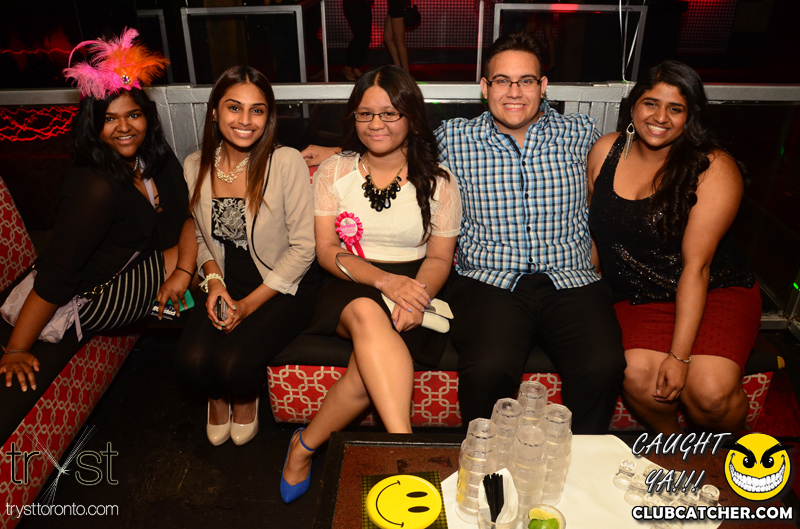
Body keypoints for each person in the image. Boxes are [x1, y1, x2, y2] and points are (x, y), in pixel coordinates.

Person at [302, 32, 626, 434]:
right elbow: (394, 138)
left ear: (543, 86)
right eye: (502, 81)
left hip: (570, 279)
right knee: (488, 368)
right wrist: (337, 153)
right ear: (485, 87)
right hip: (491, 281)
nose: (514, 92)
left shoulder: (582, 133)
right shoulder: (455, 138)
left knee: (603, 365)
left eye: (526, 80)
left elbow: (624, 175)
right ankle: (485, 459)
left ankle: (583, 458)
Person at [0, 30, 196, 443]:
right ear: (94, 125)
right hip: (92, 299)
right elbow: (58, 272)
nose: (124, 128)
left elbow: (186, 217)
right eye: (109, 119)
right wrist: (16, 349)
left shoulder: (154, 159)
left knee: (208, 250)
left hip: (140, 267)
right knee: (217, 254)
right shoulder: (94, 185)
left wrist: (183, 267)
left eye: (133, 115)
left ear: (147, 117)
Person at [281, 65, 461, 502]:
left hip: (417, 285)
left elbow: (439, 257)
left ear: (411, 118)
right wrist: (384, 281)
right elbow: (327, 250)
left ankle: (303, 445)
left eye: (389, 113)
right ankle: (405, 450)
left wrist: (414, 296)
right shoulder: (334, 171)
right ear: (353, 118)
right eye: (365, 114)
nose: (376, 124)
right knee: (366, 311)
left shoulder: (440, 181)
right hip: (348, 279)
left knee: (367, 372)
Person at [587, 60, 760, 434]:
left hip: (712, 291)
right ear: (634, 105)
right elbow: (596, 237)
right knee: (638, 379)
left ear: (689, 116)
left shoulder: (712, 167)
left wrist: (680, 357)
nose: (660, 117)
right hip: (637, 295)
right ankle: (677, 449)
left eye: (675, 108)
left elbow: (697, 267)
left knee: (710, 393)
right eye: (651, 103)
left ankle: (729, 452)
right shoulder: (605, 151)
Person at [176, 66, 320, 447]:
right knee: (192, 362)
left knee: (233, 365)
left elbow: (304, 248)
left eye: (257, 110)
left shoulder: (284, 161)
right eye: (234, 107)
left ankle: (244, 395)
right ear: (214, 112)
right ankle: (217, 395)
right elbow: (202, 235)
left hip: (283, 285)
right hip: (226, 279)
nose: (245, 120)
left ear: (268, 117)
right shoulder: (194, 165)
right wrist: (214, 283)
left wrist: (247, 306)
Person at [343, 0, 373, 81]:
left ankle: (356, 66)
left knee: (366, 36)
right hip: (353, 4)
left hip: (365, 4)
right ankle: (348, 67)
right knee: (360, 36)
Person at [384, 0, 409, 72]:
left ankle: (406, 73)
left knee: (399, 40)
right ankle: (398, 68)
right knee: (387, 37)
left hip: (398, 4)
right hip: (394, 4)